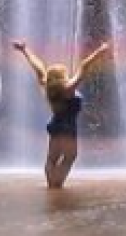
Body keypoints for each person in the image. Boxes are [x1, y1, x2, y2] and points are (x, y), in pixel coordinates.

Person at [12, 38, 112, 189]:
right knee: (70, 157)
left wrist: (25, 50)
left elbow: (38, 68)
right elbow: (84, 67)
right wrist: (100, 51)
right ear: (61, 77)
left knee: (52, 158)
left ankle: (51, 184)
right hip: (67, 127)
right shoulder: (68, 89)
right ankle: (57, 184)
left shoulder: (48, 87)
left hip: (55, 125)